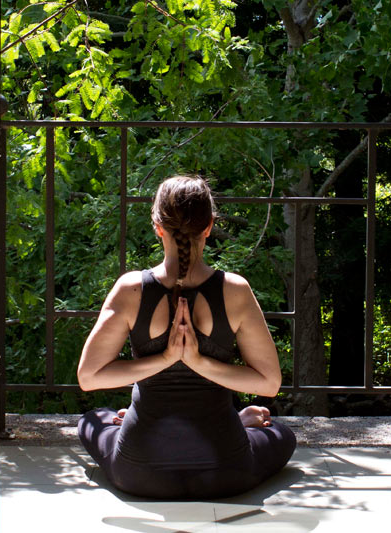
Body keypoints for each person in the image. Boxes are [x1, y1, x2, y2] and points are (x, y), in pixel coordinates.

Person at [77, 175, 296, 499]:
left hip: (139, 473)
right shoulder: (234, 291)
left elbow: (89, 377)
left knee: (94, 420)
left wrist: (165, 360)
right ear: (208, 226)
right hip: (225, 470)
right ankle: (241, 423)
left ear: (157, 226)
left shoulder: (131, 289)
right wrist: (197, 362)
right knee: (281, 433)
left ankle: (131, 424)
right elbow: (269, 383)